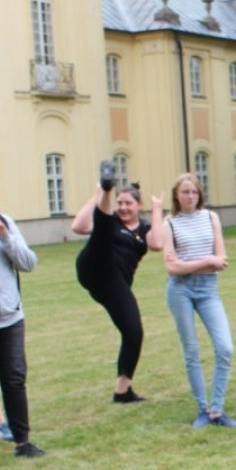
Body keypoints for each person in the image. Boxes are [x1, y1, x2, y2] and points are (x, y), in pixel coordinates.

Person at [72, 161, 163, 402]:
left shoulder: (145, 228)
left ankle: (123, 391)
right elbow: (78, 226)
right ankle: (107, 185)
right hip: (92, 266)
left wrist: (157, 209)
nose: (122, 208)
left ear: (138, 206)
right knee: (103, 228)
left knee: (134, 332)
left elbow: (157, 244)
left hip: (113, 283)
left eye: (128, 204)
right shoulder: (111, 219)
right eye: (119, 202)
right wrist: (99, 194)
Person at [163, 173, 236, 428]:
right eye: (185, 192)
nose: (190, 196)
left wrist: (191, 264)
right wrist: (206, 261)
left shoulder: (211, 218)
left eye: (194, 192)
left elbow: (222, 259)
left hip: (208, 289)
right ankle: (203, 409)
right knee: (192, 350)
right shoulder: (170, 224)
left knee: (225, 347)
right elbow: (172, 267)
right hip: (180, 291)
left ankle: (217, 409)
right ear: (177, 195)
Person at [0, 178, 46, 458]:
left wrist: (5, 237)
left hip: (11, 317)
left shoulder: (6, 223)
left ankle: (22, 442)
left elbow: (28, 263)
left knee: (14, 378)